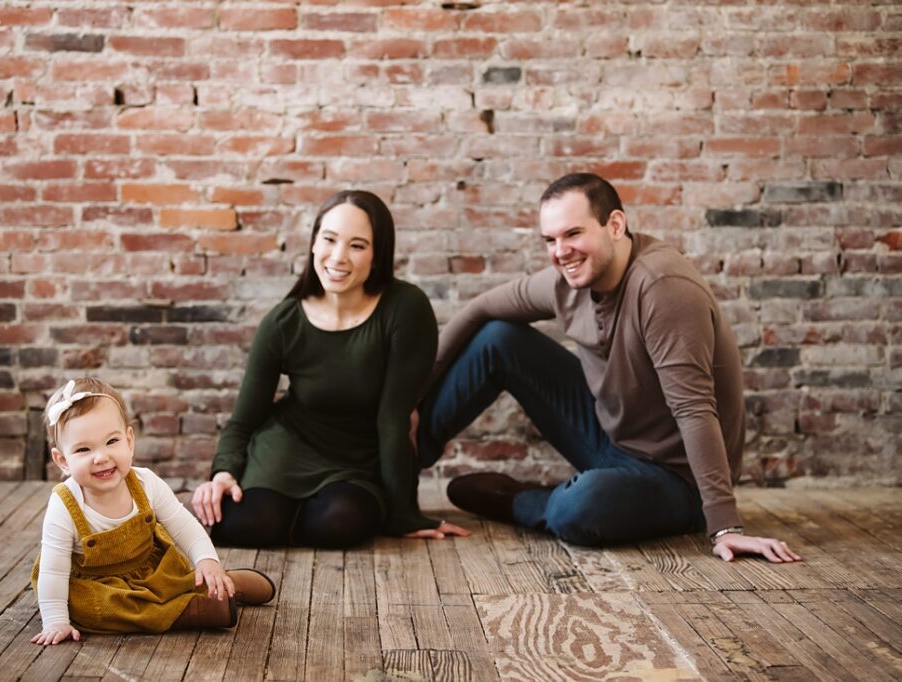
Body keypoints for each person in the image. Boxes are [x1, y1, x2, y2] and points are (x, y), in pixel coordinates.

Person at [416, 173, 801, 563]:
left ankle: (526, 500)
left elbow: (694, 409)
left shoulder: (663, 288)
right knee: (498, 338)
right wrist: (408, 404)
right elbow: (479, 309)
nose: (561, 251)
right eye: (550, 240)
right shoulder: (568, 281)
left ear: (615, 225)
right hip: (610, 438)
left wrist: (724, 526)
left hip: (676, 479)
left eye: (573, 234)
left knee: (579, 509)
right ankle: (393, 470)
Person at [191, 190, 468, 547]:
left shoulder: (405, 309)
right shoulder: (283, 322)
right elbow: (244, 419)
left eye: (357, 245)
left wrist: (404, 514)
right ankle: (256, 509)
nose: (338, 257)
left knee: (339, 524)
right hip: (286, 448)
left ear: (377, 255)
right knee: (247, 526)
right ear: (313, 243)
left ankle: (302, 514)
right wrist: (224, 472)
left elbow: (394, 419)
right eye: (329, 239)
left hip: (356, 461)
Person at [31, 378, 277, 646]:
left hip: (153, 569)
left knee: (181, 578)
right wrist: (56, 620)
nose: (100, 457)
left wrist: (207, 560)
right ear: (62, 460)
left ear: (129, 440)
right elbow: (53, 571)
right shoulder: (65, 504)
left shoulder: (146, 482)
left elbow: (184, 525)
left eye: (111, 441)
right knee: (92, 609)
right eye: (83, 449)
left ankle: (223, 582)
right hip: (99, 585)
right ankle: (191, 611)